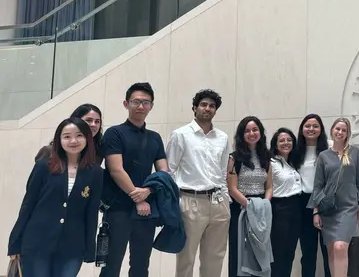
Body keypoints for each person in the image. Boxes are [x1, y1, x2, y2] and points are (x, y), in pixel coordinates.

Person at [9, 117, 103, 276]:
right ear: (59, 140)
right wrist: (15, 242)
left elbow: (91, 212)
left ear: (87, 138)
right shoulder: (44, 166)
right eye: (67, 136)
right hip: (37, 243)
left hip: (73, 246)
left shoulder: (95, 172)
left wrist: (89, 248)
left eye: (79, 135)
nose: (73, 141)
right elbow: (28, 205)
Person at [100, 82, 168, 277]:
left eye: (146, 102)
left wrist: (148, 191)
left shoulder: (155, 138)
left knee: (140, 266)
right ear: (126, 103)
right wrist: (138, 198)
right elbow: (116, 170)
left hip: (146, 211)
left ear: (151, 106)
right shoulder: (114, 133)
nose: (141, 106)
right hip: (118, 208)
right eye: (136, 102)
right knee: (111, 266)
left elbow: (163, 172)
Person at [166, 89, 231, 277]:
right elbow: (169, 170)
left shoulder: (222, 138)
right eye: (203, 104)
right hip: (190, 201)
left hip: (218, 202)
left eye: (212, 106)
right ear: (194, 108)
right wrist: (176, 201)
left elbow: (222, 172)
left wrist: (225, 200)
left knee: (215, 258)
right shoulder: (181, 134)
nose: (207, 108)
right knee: (186, 258)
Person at [309, 118, 359, 277]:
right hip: (328, 209)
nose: (340, 132)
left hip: (348, 208)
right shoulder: (323, 156)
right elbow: (318, 186)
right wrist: (316, 211)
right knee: (332, 250)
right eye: (338, 129)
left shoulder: (355, 153)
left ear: (348, 133)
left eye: (344, 130)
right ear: (332, 130)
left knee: (340, 247)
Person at [227, 116, 273, 277]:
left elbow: (269, 186)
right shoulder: (234, 158)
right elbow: (232, 188)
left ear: (260, 132)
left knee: (259, 250)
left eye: (255, 130)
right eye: (247, 131)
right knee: (239, 250)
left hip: (261, 209)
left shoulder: (266, 157)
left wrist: (265, 204)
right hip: (240, 208)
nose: (252, 133)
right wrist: (249, 205)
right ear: (242, 134)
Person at [291, 114, 333, 277]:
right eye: (307, 126)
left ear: (321, 129)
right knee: (308, 251)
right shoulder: (296, 150)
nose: (311, 129)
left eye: (315, 126)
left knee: (328, 250)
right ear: (302, 129)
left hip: (326, 202)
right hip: (304, 203)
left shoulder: (330, 147)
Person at [270, 127, 304, 277]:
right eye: (282, 140)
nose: (286, 143)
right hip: (279, 208)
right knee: (277, 251)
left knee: (290, 251)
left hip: (296, 207)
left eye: (289, 140)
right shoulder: (271, 162)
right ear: (275, 144)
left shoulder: (293, 162)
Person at [35, 103, 105, 166]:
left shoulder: (97, 153)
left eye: (97, 121)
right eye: (89, 120)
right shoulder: (49, 151)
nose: (94, 125)